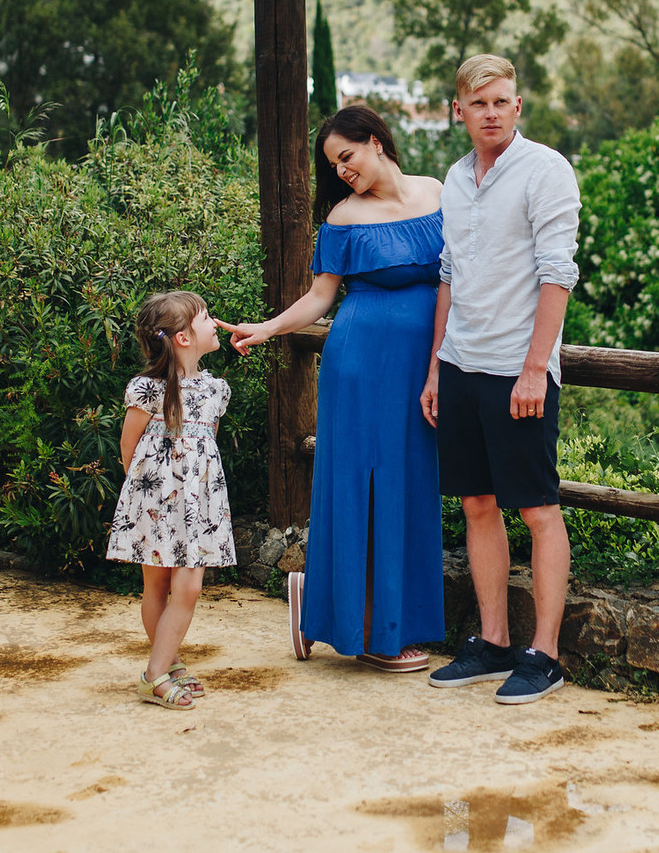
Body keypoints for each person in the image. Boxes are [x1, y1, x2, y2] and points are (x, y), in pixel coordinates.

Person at [218, 106, 446, 672]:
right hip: (362, 367)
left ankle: (340, 603)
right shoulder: (344, 217)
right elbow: (321, 297)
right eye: (334, 165)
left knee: (410, 486)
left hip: (423, 367)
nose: (342, 171)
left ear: (375, 142)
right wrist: (267, 327)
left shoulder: (439, 192)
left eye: (346, 157)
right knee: (365, 486)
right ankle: (371, 632)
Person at [421, 54, 580, 705]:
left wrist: (535, 368)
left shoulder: (546, 170)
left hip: (520, 371)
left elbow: (557, 272)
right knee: (476, 504)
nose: (491, 112)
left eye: (502, 101)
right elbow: (449, 276)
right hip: (461, 366)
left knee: (538, 509)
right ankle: (491, 643)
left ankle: (545, 654)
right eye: (478, 103)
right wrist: (435, 366)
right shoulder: (454, 181)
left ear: (518, 107)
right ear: (457, 110)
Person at [106, 290, 234, 710]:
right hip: (154, 502)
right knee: (157, 584)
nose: (214, 322)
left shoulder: (216, 390)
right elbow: (129, 449)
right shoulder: (147, 389)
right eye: (206, 317)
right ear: (182, 338)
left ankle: (159, 666)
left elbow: (205, 451)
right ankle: (160, 671)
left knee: (189, 587)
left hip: (195, 506)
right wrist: (142, 503)